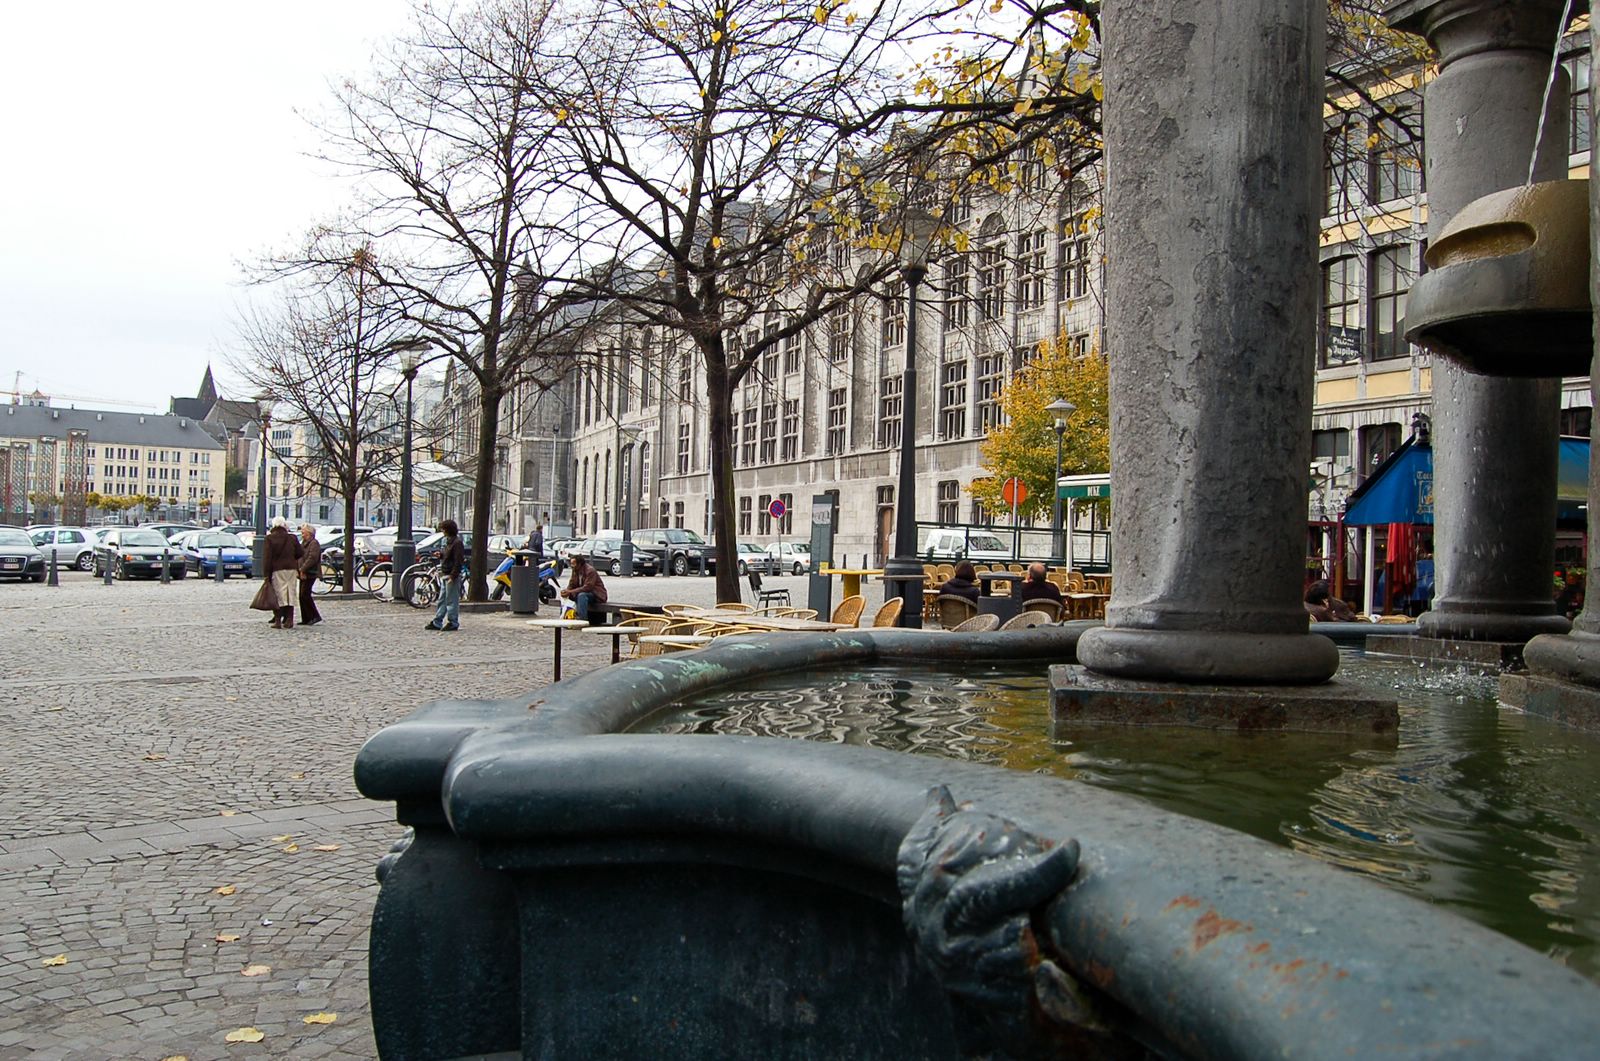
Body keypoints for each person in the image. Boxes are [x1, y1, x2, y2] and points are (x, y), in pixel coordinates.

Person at [262, 517, 302, 630]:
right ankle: (289, 620)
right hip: (291, 569)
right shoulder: (292, 538)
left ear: (273, 526)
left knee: (278, 594)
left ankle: (278, 620)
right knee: (290, 593)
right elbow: (300, 552)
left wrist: (266, 574)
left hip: (277, 569)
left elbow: (267, 558)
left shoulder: (270, 538)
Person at [426, 519, 464, 632]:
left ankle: (453, 622)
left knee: (451, 600)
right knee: (442, 599)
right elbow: (449, 556)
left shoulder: (456, 543)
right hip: (445, 573)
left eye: (443, 529)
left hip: (451, 575)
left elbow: (458, 560)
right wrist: (441, 555)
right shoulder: (449, 542)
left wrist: (453, 575)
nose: (442, 531)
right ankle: (438, 620)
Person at [561, 551, 608, 623]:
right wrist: (566, 591)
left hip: (596, 594)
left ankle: (582, 620)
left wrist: (570, 591)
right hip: (583, 593)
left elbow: (588, 587)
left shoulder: (590, 571)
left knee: (582, 596)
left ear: (579, 564)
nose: (571, 566)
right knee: (567, 596)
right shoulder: (575, 571)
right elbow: (572, 584)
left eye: (573, 564)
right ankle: (565, 616)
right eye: (571, 564)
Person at [297, 523, 323, 627]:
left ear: (309, 533)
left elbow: (312, 558)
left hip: (310, 573)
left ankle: (314, 616)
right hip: (303, 572)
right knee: (301, 596)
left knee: (305, 595)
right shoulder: (304, 543)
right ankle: (306, 618)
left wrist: (303, 569)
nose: (302, 534)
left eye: (303, 532)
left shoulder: (314, 543)